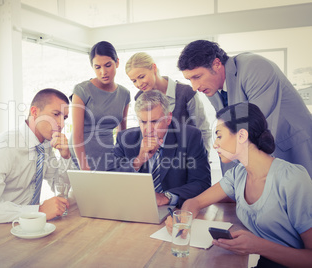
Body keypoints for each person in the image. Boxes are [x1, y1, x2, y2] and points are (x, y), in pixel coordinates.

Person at [165, 102, 312, 268]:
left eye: (219, 136)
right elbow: (196, 202)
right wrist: (184, 219)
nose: (215, 144)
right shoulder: (237, 175)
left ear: (242, 136)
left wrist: (258, 246)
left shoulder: (292, 179)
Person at [178, 40, 312, 177]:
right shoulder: (210, 88)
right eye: (190, 80)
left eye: (197, 77)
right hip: (261, 155)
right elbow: (229, 130)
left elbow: (255, 128)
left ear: (217, 64)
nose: (195, 87)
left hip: (292, 144)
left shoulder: (255, 67)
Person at [0, 88, 74, 235]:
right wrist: (37, 210)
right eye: (56, 114)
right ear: (34, 112)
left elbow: (59, 188)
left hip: (20, 227)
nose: (61, 124)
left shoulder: (45, 145)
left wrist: (65, 157)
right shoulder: (4, 146)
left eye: (64, 118)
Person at [106, 90, 211, 207]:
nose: (148, 129)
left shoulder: (190, 136)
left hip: (176, 209)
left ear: (168, 118)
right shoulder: (126, 139)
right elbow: (110, 181)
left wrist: (166, 197)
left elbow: (201, 183)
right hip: (135, 207)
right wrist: (138, 160)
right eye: (143, 122)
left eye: (155, 121)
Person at [125, 52, 211, 154]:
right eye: (134, 81)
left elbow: (203, 129)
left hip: (188, 156)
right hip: (159, 160)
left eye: (141, 77)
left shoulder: (186, 93)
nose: (139, 84)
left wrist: (204, 158)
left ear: (154, 68)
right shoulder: (140, 97)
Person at [69, 41, 131, 171]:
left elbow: (122, 133)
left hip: (108, 152)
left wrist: (124, 158)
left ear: (117, 62)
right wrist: (84, 167)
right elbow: (77, 134)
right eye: (97, 67)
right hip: (82, 153)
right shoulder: (82, 90)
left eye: (108, 65)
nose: (103, 72)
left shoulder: (124, 94)